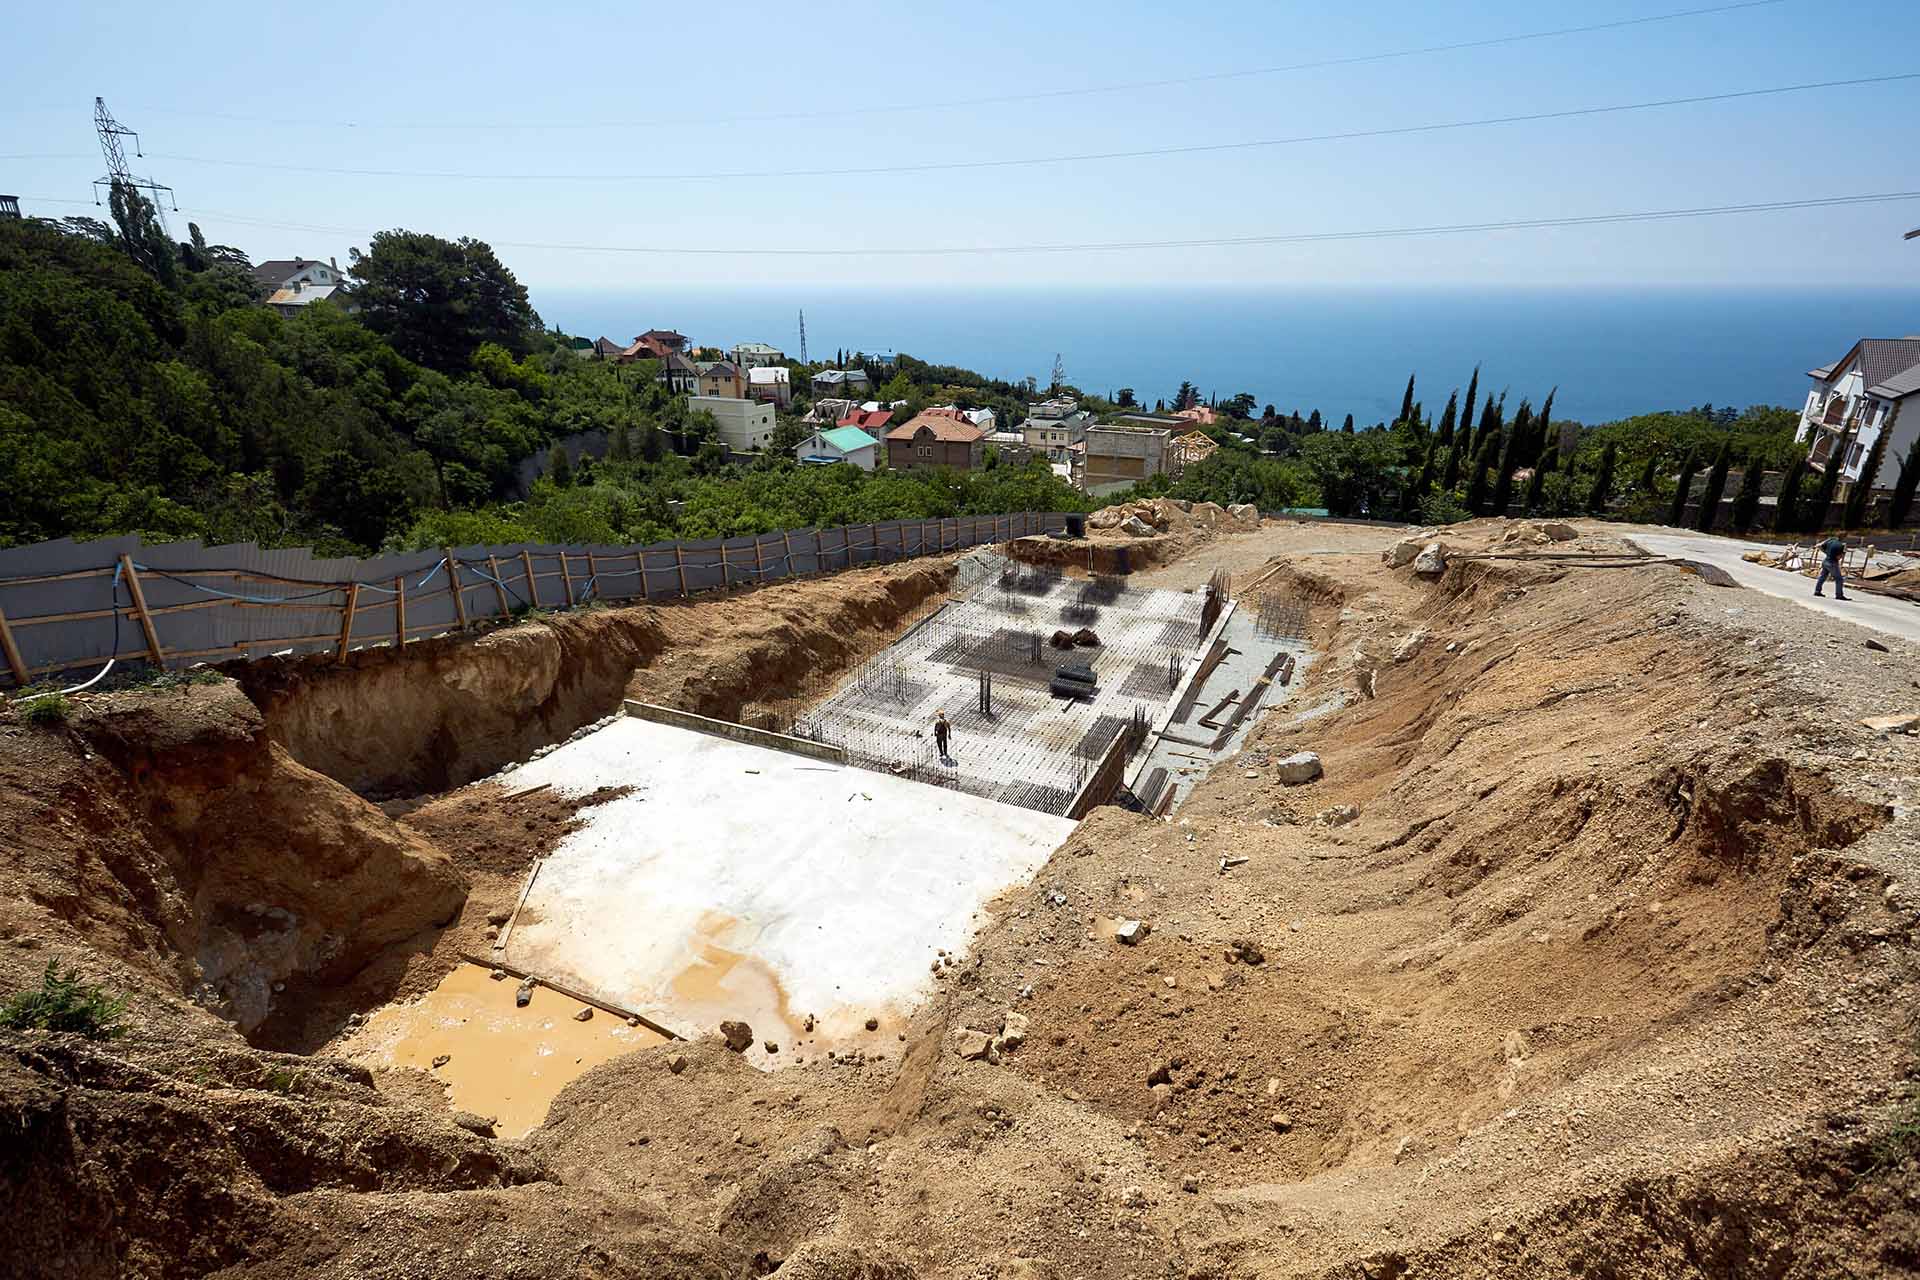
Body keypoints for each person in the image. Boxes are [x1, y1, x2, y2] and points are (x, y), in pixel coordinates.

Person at [1814, 533, 1850, 601]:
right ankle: (1839, 595)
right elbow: (1839, 557)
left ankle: (1817, 591)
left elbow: (1820, 546)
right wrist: (1844, 552)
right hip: (1832, 563)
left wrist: (1827, 553)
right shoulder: (1841, 545)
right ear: (1843, 537)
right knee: (1839, 579)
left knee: (1822, 577)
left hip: (1826, 561)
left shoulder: (1830, 540)